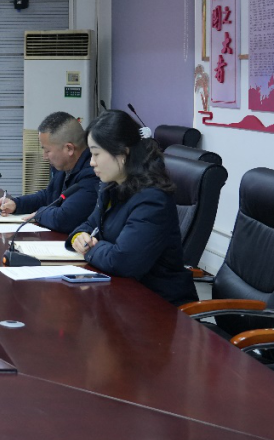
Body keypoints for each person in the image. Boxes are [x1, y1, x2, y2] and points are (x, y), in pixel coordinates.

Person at [66, 110, 197, 306]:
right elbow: (89, 225)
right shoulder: (111, 187)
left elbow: (122, 261)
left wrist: (90, 249)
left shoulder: (152, 199)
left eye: (96, 154)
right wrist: (79, 237)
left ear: (123, 153)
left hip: (160, 306)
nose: (91, 162)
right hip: (123, 297)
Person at [0, 112, 98, 233]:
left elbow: (64, 219)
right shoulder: (64, 166)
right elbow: (49, 196)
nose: (44, 157)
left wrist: (39, 214)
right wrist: (16, 204)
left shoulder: (93, 173)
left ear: (69, 148)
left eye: (47, 151)